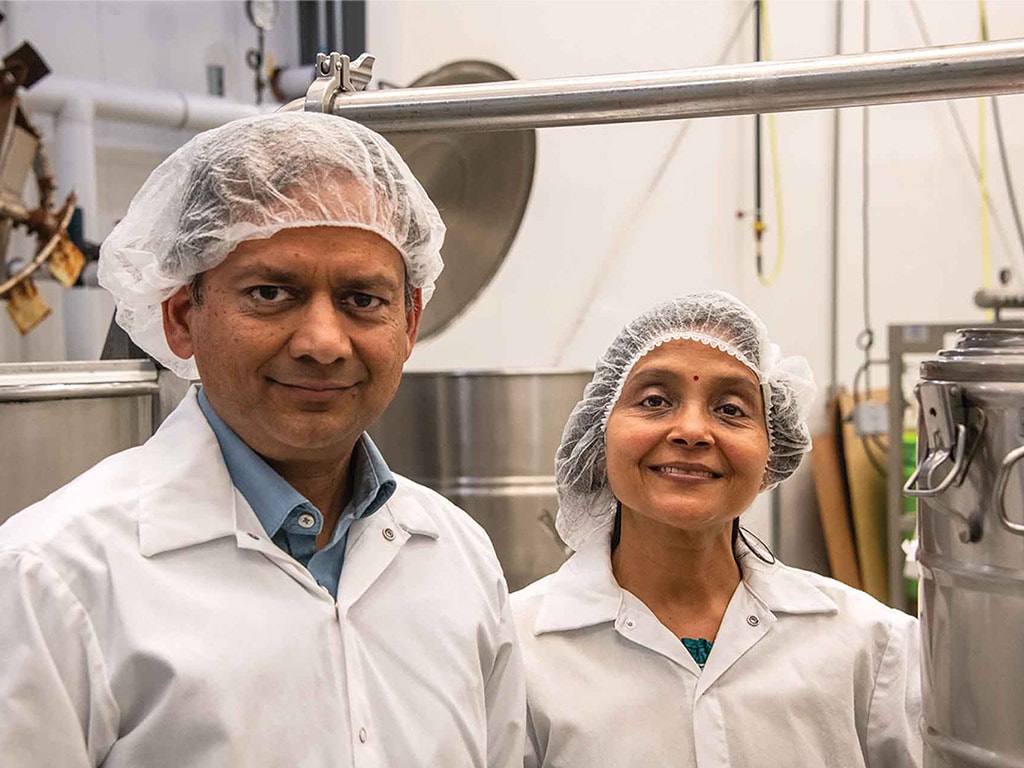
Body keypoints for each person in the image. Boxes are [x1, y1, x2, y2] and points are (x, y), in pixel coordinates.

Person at [0, 112, 524, 767]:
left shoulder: (459, 558)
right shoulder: (55, 575)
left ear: (410, 323)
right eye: (271, 292)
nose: (323, 344)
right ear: (182, 317)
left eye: (363, 299)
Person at [512, 291, 921, 767]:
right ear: (599, 435)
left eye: (730, 409)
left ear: (773, 449)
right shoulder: (518, 649)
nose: (692, 431)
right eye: (655, 400)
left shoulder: (870, 647)